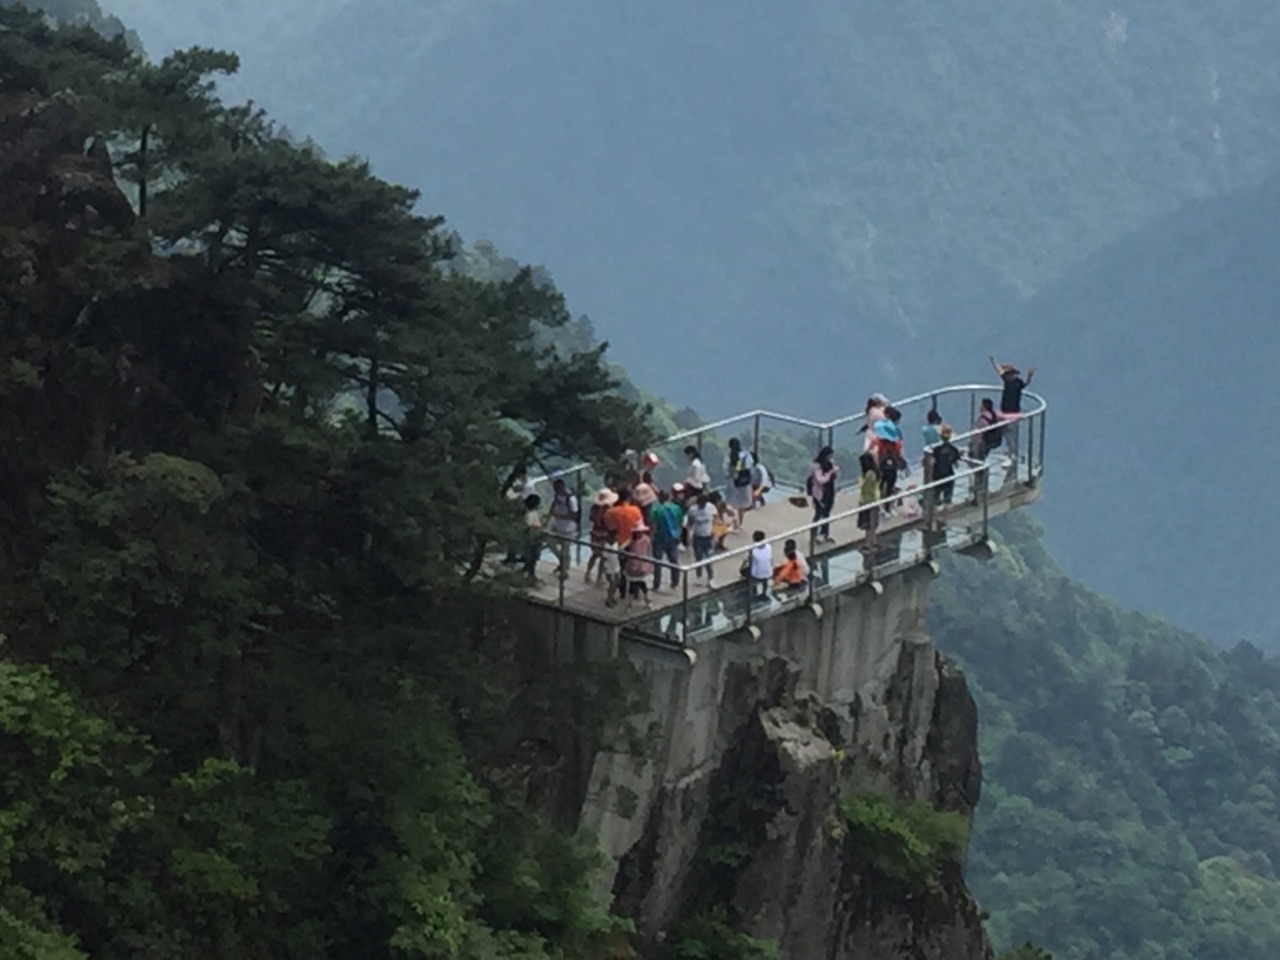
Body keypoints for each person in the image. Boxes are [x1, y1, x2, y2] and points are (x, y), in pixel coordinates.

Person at [989, 356, 1035, 461]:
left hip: (1013, 413)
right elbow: (999, 371)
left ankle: (1012, 454)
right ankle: (1008, 451)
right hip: (1004, 412)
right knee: (1005, 432)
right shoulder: (1008, 380)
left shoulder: (1017, 382)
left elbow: (1025, 383)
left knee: (1012, 435)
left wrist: (1029, 375)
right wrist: (994, 362)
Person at [649, 488, 684, 590]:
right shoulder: (676, 508)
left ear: (659, 498)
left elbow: (654, 525)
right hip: (673, 537)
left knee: (658, 561)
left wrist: (651, 537)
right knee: (673, 560)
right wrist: (679, 535)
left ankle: (657, 584)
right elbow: (680, 522)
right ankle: (675, 581)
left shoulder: (657, 510)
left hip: (660, 537)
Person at [548, 477, 580, 579]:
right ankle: (564, 563)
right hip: (557, 526)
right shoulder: (557, 496)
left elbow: (574, 514)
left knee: (565, 549)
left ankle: (564, 572)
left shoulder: (571, 499)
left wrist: (559, 515)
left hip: (568, 528)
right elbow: (553, 505)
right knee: (551, 543)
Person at [584, 487, 617, 583]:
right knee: (603, 556)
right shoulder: (608, 511)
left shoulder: (594, 508)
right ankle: (599, 576)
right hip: (604, 535)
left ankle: (588, 573)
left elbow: (591, 518)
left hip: (595, 533)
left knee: (595, 555)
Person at [685, 492, 718, 586]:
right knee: (698, 558)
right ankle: (699, 577)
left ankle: (710, 578)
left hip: (708, 537)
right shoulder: (693, 510)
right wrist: (688, 536)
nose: (702, 505)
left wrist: (714, 531)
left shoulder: (711, 507)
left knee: (708, 559)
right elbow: (690, 523)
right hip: (698, 537)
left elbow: (716, 517)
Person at [808, 446, 839, 544]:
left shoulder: (830, 463)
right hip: (820, 493)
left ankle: (824, 534)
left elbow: (834, 475)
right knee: (819, 513)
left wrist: (834, 472)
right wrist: (830, 473)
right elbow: (820, 479)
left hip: (830, 491)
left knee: (827, 514)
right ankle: (814, 534)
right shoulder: (817, 466)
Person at [723, 438, 754, 529]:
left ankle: (734, 523)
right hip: (744, 482)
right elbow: (750, 467)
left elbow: (726, 471)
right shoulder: (746, 455)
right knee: (742, 504)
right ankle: (740, 523)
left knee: (732, 503)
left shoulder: (729, 456)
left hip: (733, 482)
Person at [623, 523, 654, 609]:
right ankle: (630, 602)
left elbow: (649, 551)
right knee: (632, 585)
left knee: (643, 585)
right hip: (633, 565)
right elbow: (623, 546)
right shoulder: (632, 539)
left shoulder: (646, 539)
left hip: (642, 565)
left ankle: (647, 601)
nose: (639, 533)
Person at [931, 425, 961, 505]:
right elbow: (956, 463)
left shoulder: (936, 450)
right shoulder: (954, 450)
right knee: (948, 497)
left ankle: (935, 512)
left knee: (935, 496)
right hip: (948, 474)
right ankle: (947, 512)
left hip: (937, 474)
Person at [744, 529, 773, 603]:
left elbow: (748, 561)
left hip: (757, 573)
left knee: (749, 575)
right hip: (768, 572)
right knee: (765, 581)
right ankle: (764, 592)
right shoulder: (769, 547)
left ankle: (751, 592)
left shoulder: (753, 550)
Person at [521, 493, 543, 579]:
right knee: (532, 556)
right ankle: (530, 573)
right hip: (533, 536)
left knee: (531, 555)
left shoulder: (530, 514)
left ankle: (529, 571)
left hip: (532, 536)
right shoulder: (532, 514)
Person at [856, 453, 880, 532]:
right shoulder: (874, 472)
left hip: (868, 499)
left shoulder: (869, 474)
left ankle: (869, 542)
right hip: (873, 498)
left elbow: (864, 487)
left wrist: (860, 480)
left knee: (869, 524)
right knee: (871, 524)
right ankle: (871, 541)